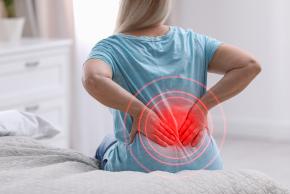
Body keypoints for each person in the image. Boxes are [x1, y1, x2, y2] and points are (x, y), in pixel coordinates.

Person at [83, 0, 261, 172]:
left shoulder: (110, 47)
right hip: (205, 162)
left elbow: (93, 78)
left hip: (143, 164)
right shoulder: (194, 40)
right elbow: (250, 65)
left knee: (106, 144)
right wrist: (202, 107)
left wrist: (140, 112)